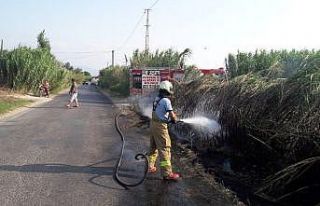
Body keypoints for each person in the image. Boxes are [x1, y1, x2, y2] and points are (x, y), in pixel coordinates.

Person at [148, 80, 180, 181]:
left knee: (153, 147)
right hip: (160, 127)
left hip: (153, 124)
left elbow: (159, 112)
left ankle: (150, 166)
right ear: (167, 90)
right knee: (165, 149)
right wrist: (175, 119)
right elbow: (172, 116)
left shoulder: (157, 99)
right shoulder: (166, 101)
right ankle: (167, 173)